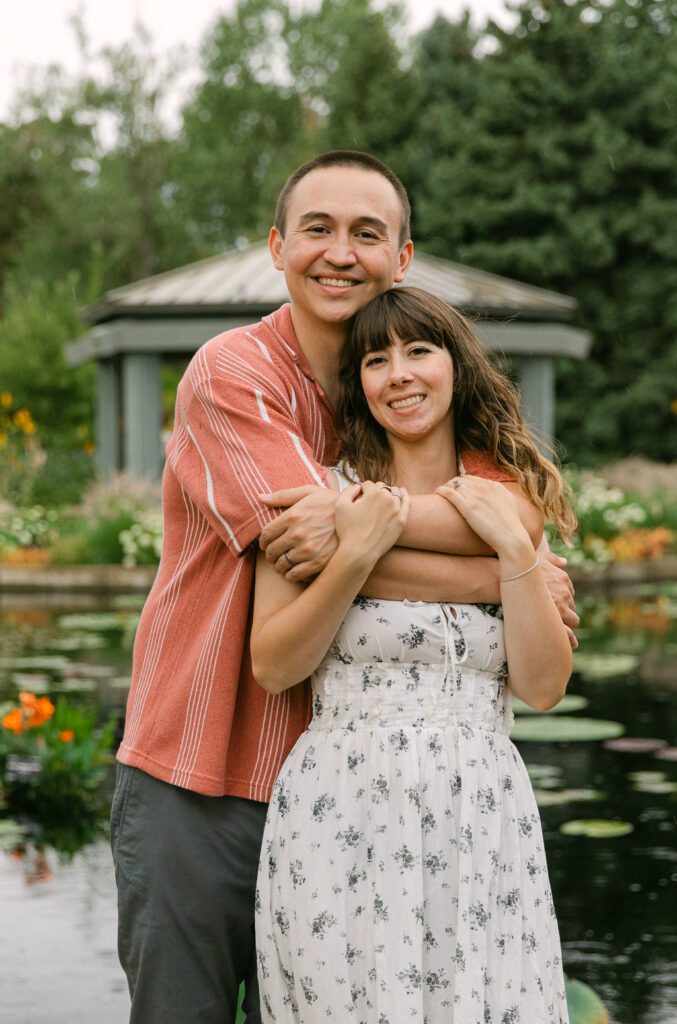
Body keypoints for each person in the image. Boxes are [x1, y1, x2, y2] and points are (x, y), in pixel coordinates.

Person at [110, 151, 577, 1024]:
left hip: (356, 804)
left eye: (367, 233)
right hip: (202, 774)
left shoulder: (412, 400)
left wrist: (510, 543)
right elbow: (302, 549)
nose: (340, 252)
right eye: (317, 229)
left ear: (403, 257)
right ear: (277, 245)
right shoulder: (235, 373)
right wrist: (509, 571)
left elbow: (508, 508)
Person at [253, 287, 574, 1023]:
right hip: (342, 806)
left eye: (417, 351)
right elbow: (273, 666)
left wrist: (514, 557)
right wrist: (352, 553)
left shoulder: (504, 506)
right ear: (358, 386)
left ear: (455, 367)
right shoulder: (323, 503)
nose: (398, 373)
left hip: (480, 809)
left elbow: (543, 685)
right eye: (375, 358)